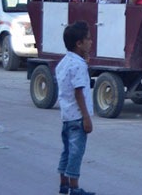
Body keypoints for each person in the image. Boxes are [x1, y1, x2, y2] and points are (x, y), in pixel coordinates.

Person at [55, 21, 95, 195]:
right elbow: (79, 92)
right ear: (79, 43)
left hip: (66, 115)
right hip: (78, 117)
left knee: (67, 151)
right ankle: (74, 187)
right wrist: (86, 117)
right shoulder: (78, 65)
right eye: (88, 39)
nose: (91, 42)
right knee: (76, 153)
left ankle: (63, 184)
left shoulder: (64, 62)